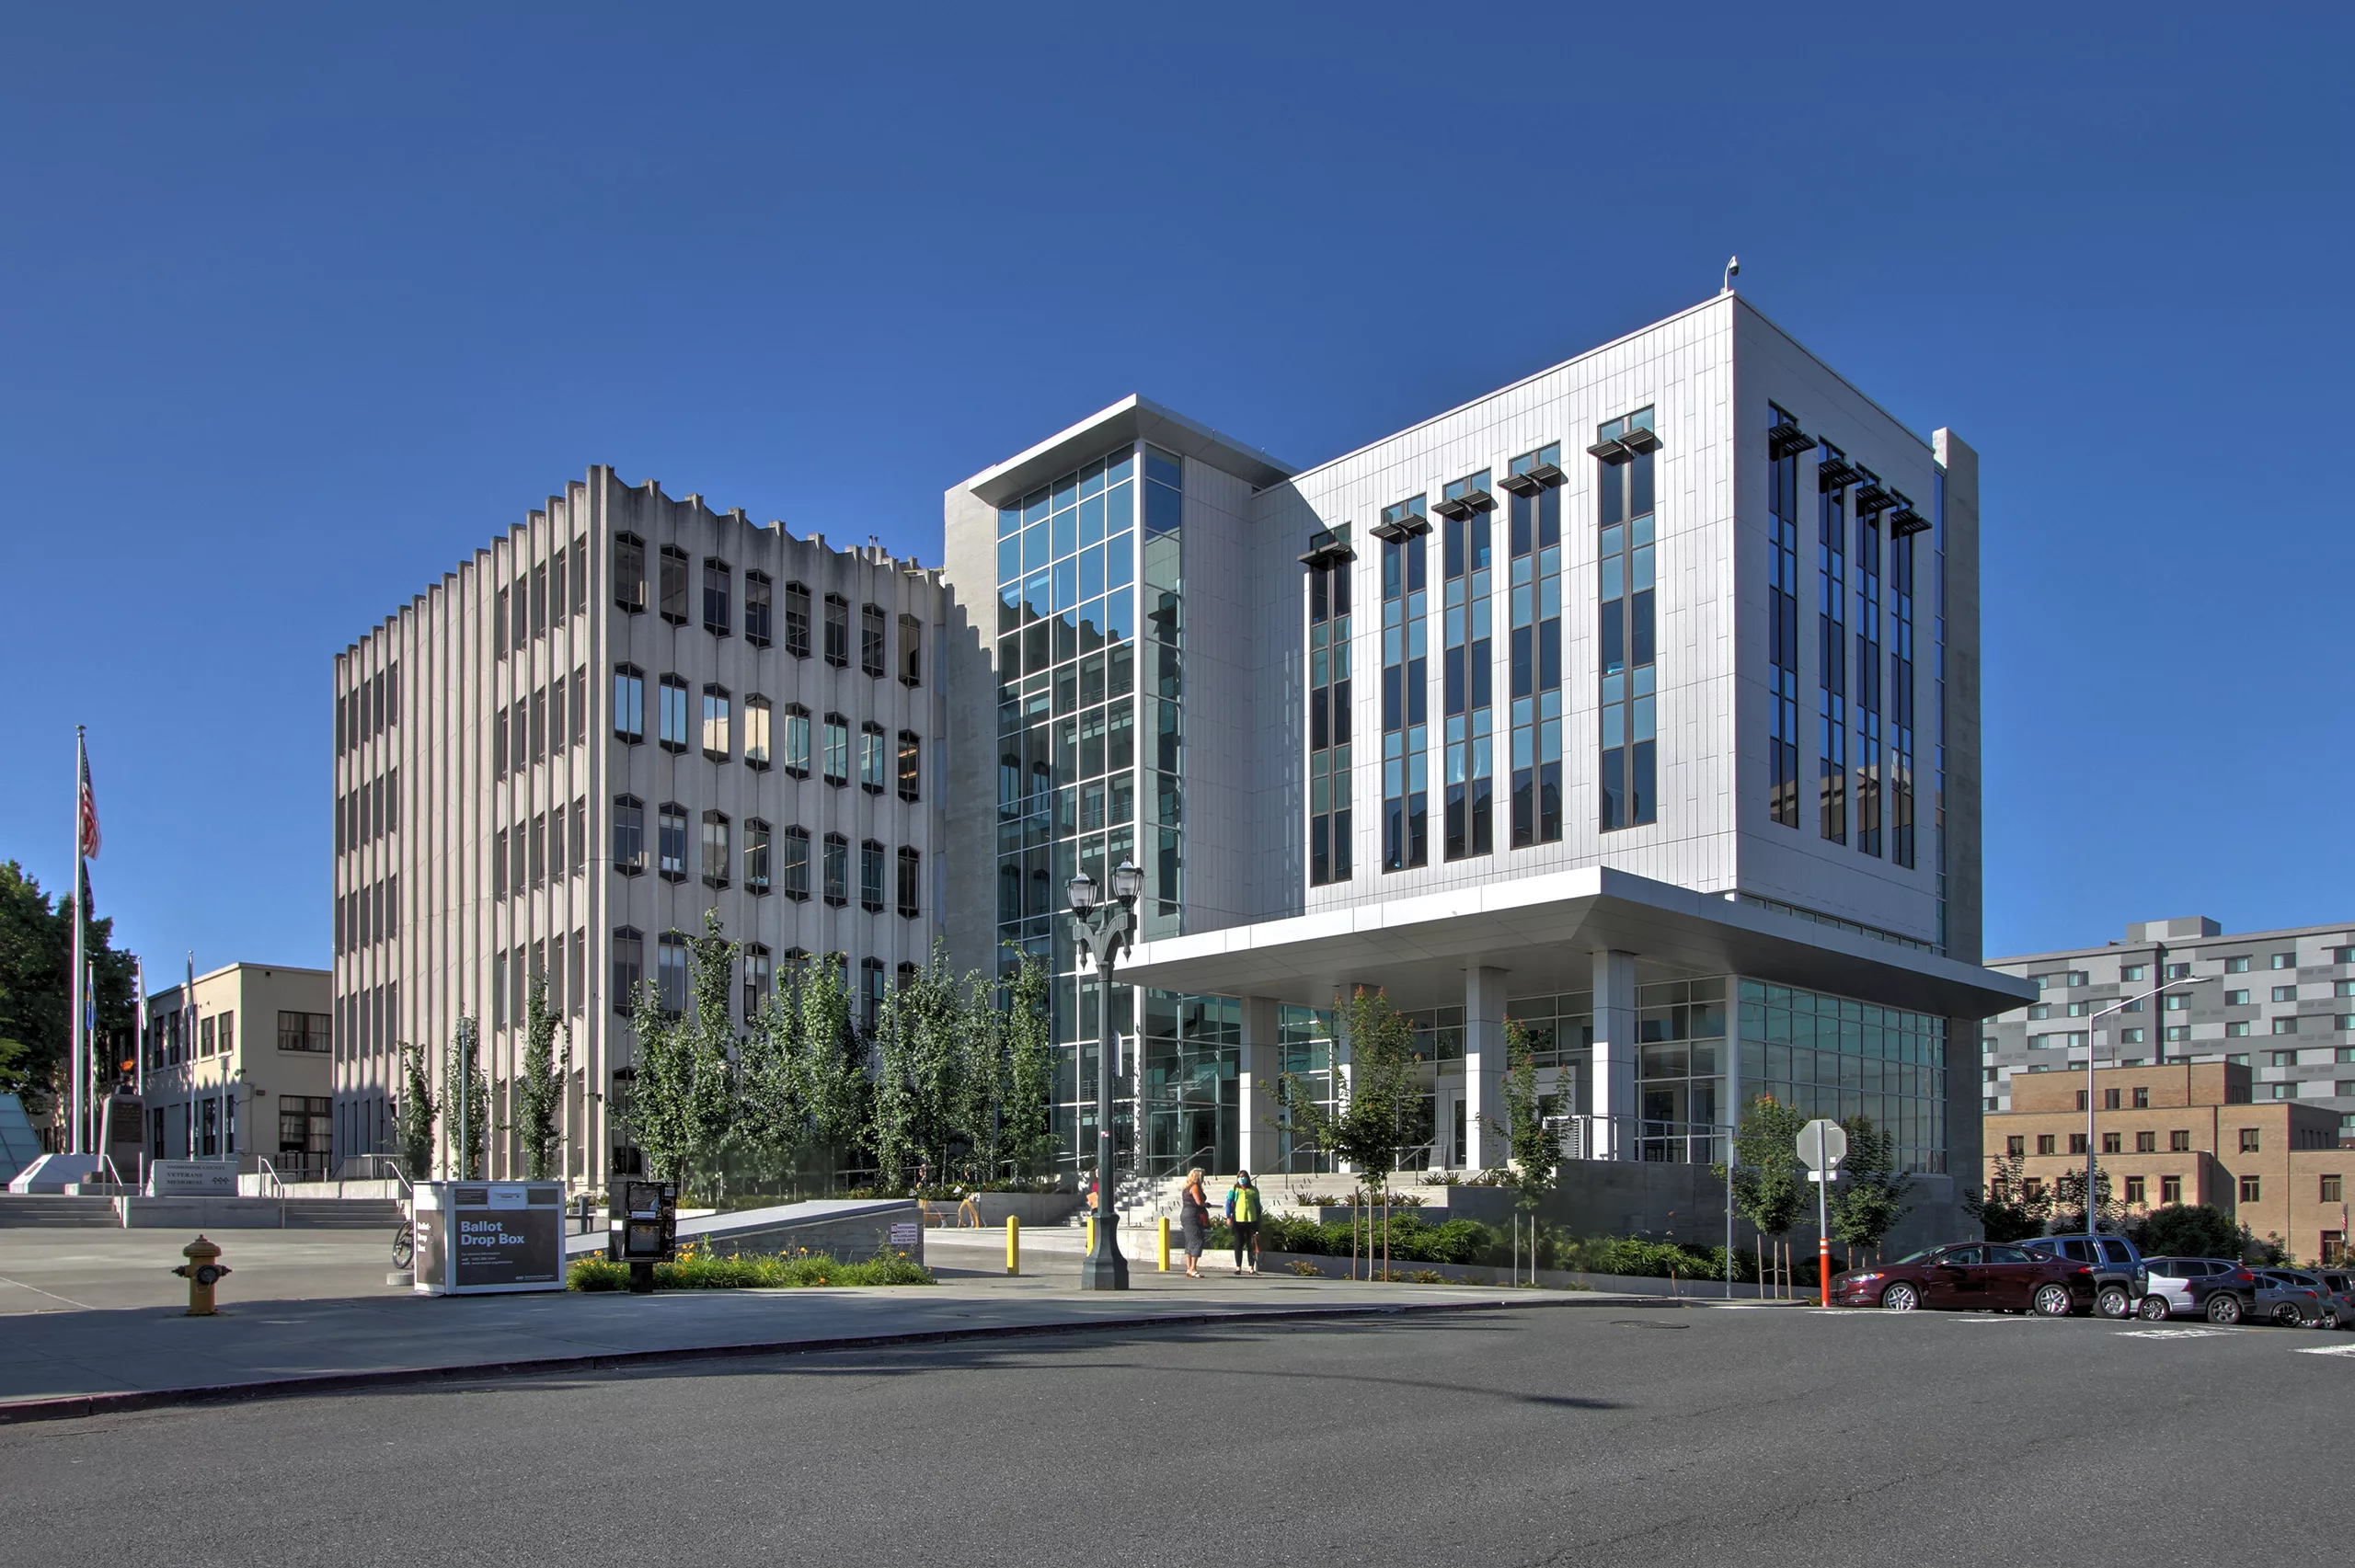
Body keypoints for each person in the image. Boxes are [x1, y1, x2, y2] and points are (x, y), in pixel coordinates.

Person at [1225, 1170, 1262, 1276]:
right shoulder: (1234, 1189)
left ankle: (1251, 1267)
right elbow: (1229, 1203)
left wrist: (1259, 1217)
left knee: (1251, 1244)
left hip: (1252, 1220)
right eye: (1240, 1177)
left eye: (1244, 1177)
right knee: (1238, 1243)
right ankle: (1238, 1267)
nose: (1242, 1179)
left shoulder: (1253, 1190)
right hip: (1238, 1220)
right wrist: (1229, 1217)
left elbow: (1257, 1205)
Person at [1177, 1167, 1210, 1278]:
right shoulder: (1195, 1187)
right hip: (1193, 1215)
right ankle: (1193, 1268)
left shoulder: (1186, 1187)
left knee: (1189, 1241)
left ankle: (1189, 1267)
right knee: (1197, 1240)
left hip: (1185, 1214)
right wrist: (1207, 1204)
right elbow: (1199, 1202)